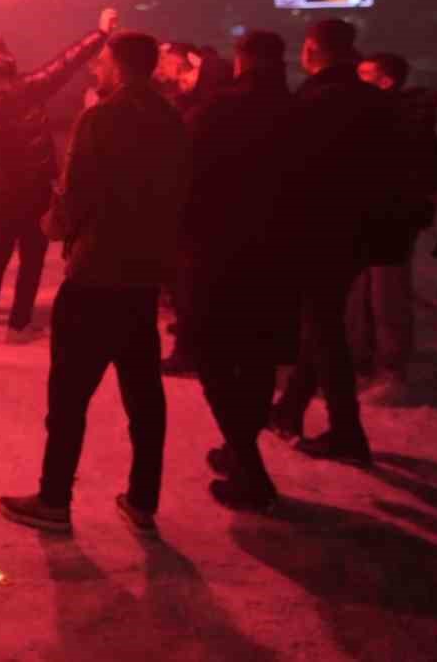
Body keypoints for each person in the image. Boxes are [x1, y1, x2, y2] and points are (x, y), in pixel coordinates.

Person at [0, 31, 188, 537]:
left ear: (119, 65)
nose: (95, 70)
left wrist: (50, 225)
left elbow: (76, 193)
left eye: (101, 61)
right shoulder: (173, 120)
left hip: (97, 272)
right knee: (144, 394)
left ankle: (54, 498)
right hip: (143, 274)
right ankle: (144, 498)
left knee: (69, 394)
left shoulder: (100, 118)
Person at [269, 20, 404, 464]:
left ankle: (347, 432)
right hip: (360, 230)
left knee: (325, 327)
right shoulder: (376, 101)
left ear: (311, 50)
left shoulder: (314, 100)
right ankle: (289, 409)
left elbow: (289, 170)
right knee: (321, 319)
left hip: (318, 228)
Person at [184, 31, 301, 512]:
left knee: (211, 355)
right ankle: (239, 449)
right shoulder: (301, 110)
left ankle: (250, 468)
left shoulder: (221, 108)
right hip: (280, 250)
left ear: (243, 60)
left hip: (220, 248)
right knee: (256, 358)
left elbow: (185, 168)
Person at [0, 8, 117, 342]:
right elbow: (66, 62)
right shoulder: (27, 89)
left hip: (2, 190)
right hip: (35, 187)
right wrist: (100, 34)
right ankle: (19, 323)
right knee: (31, 258)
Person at [348, 52, 437, 404]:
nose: (357, 80)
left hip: (391, 223)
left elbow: (421, 174)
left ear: (386, 81)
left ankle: (392, 372)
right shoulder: (375, 116)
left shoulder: (408, 121)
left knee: (388, 298)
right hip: (367, 219)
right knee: (361, 295)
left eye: (366, 74)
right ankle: (362, 360)